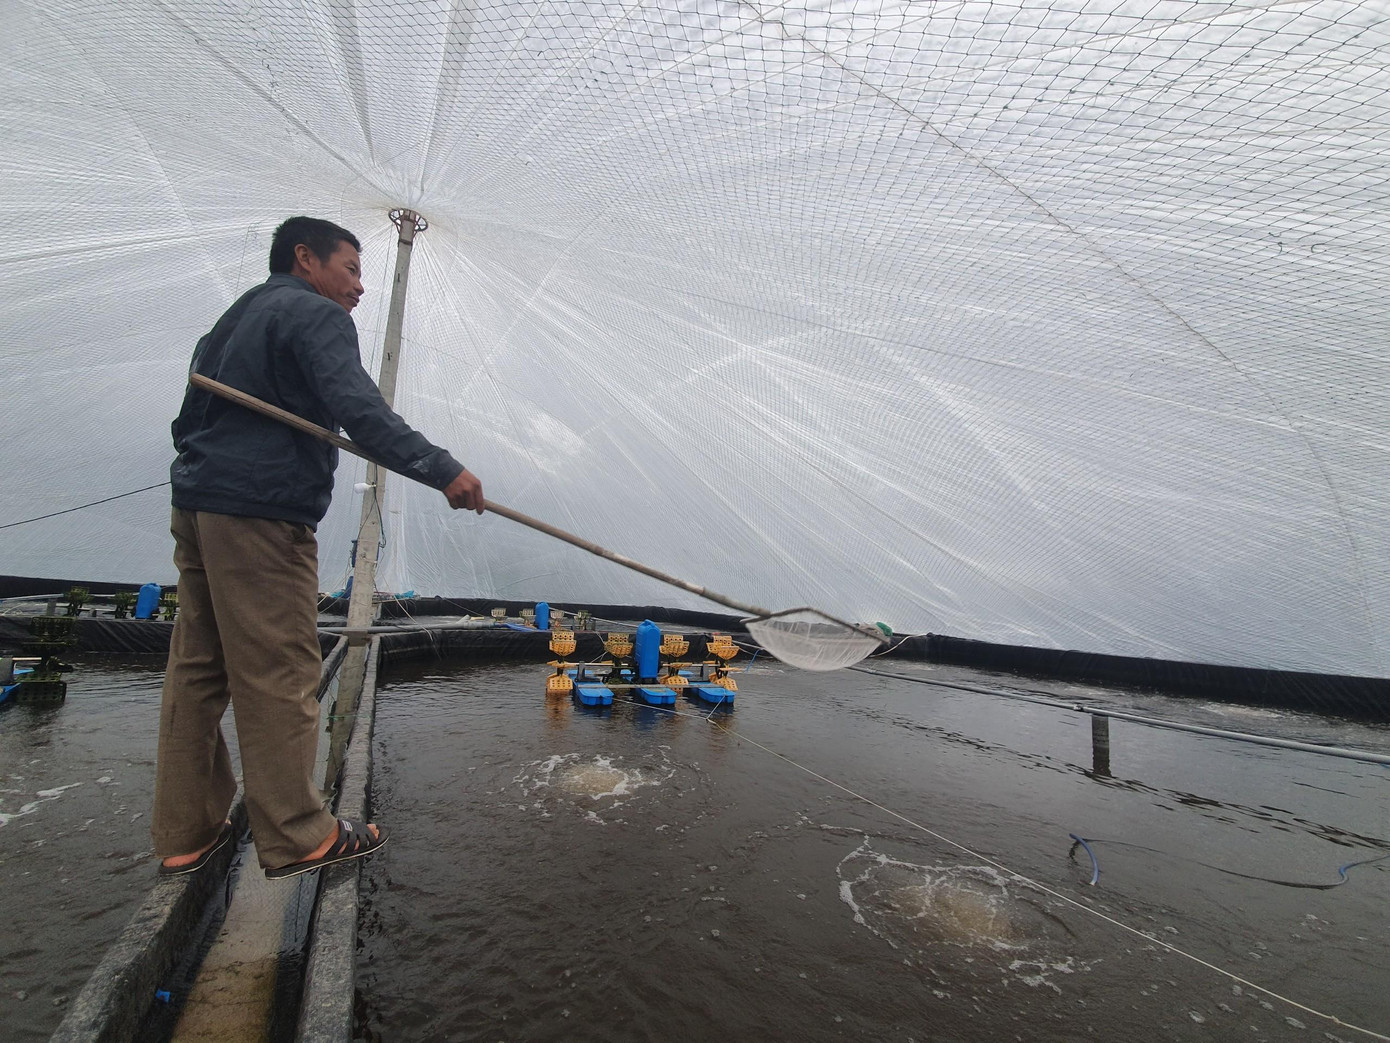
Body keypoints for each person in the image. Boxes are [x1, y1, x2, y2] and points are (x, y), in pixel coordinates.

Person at [152, 216, 483, 879]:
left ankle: (186, 831)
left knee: (199, 664)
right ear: (306, 258)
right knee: (279, 668)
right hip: (260, 513)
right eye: (352, 269)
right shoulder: (313, 315)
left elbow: (186, 420)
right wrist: (443, 469)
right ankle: (301, 834)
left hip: (197, 503)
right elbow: (359, 409)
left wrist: (207, 472)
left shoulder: (234, 319)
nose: (359, 287)